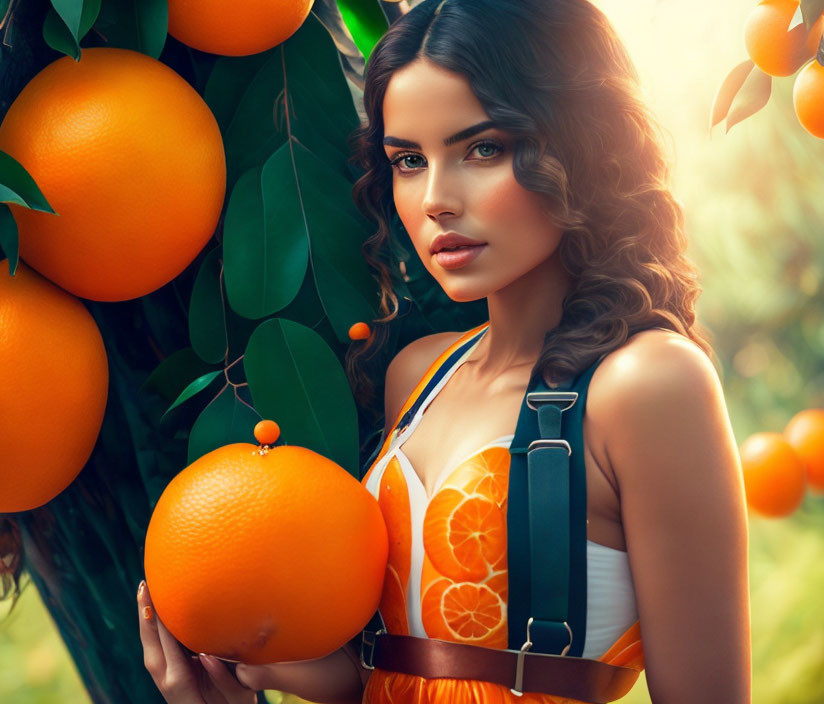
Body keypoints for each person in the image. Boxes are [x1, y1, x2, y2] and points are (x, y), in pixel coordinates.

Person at [138, 0, 751, 702]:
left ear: (579, 142)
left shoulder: (647, 385)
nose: (434, 200)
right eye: (406, 160)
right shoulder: (416, 374)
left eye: (482, 148)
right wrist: (234, 668)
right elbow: (401, 671)